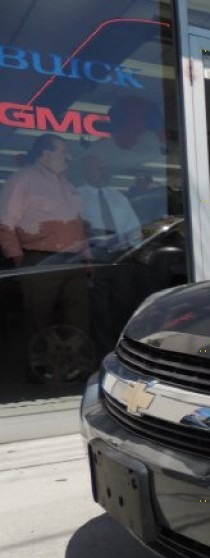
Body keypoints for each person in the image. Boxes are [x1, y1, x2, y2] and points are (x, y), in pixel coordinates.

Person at [0, 134, 92, 381]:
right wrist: (19, 260)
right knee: (39, 320)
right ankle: (39, 374)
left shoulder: (67, 184)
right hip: (39, 258)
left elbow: (78, 224)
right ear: (44, 154)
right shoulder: (23, 180)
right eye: (64, 152)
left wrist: (87, 258)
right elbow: (6, 223)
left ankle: (74, 371)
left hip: (72, 261)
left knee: (77, 319)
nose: (69, 158)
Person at [78, 153, 143, 259]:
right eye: (99, 169)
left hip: (122, 254)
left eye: (105, 168)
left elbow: (133, 226)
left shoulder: (118, 196)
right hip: (92, 256)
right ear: (86, 171)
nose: (104, 172)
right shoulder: (76, 197)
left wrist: (135, 250)